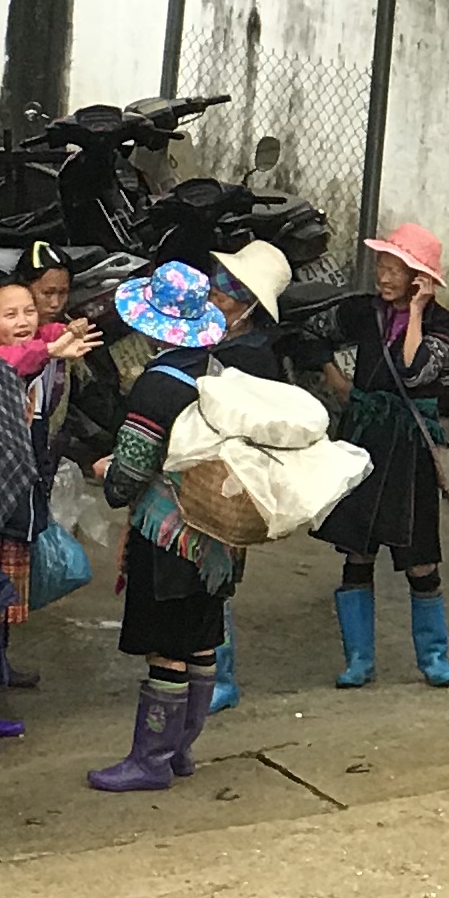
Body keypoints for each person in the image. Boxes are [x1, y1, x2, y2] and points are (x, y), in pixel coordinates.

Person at [87, 260, 233, 793]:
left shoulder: (155, 387)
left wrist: (107, 474)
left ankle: (150, 761)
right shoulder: (215, 371)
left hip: (168, 535)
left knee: (165, 648)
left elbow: (129, 473)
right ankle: (180, 751)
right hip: (214, 532)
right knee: (199, 640)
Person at [311, 223, 449, 690]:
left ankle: (434, 657)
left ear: (420, 278)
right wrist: (335, 378)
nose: (385, 277)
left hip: (410, 447)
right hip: (363, 440)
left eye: (396, 270)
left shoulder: (440, 323)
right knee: (358, 550)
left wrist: (415, 311)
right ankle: (359, 661)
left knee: (419, 557)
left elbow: (415, 373)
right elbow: (310, 333)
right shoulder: (363, 311)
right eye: (382, 266)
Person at [0, 278, 99, 744]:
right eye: (9, 314)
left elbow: (41, 340)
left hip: (17, 503)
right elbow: (16, 359)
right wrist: (50, 349)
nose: (23, 321)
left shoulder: (38, 353)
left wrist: (60, 334)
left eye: (28, 312)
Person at [203, 240, 291, 711]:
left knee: (216, 574)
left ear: (249, 304)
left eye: (227, 291)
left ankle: (220, 676)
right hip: (208, 465)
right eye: (217, 286)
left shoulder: (253, 356)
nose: (216, 295)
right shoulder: (223, 340)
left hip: (234, 475)